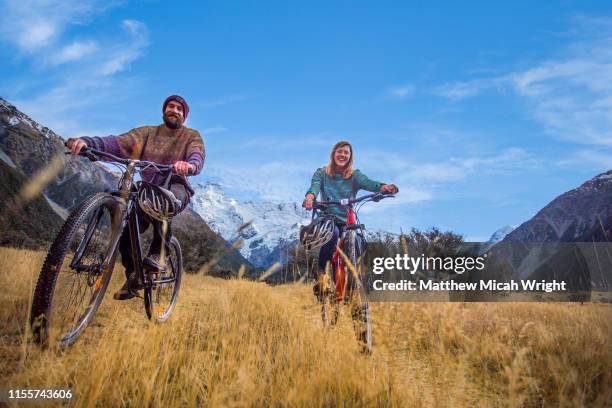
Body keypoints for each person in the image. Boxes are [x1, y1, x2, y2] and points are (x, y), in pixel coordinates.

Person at [66, 95, 205, 300]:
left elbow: (197, 154)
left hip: (176, 187)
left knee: (162, 201)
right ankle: (134, 276)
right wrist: (87, 143)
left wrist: (189, 165)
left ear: (184, 115)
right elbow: (117, 142)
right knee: (124, 228)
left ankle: (160, 254)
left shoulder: (191, 135)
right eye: (170, 106)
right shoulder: (147, 133)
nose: (174, 110)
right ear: (164, 110)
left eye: (179, 108)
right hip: (146, 188)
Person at [302, 140, 398, 297]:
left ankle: (358, 284)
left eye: (346, 153)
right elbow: (314, 186)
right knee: (331, 236)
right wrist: (310, 197)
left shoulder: (354, 176)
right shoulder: (322, 173)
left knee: (359, 242)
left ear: (350, 157)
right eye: (340, 151)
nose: (343, 155)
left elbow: (369, 184)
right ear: (333, 154)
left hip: (348, 221)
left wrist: (384, 188)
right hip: (329, 219)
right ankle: (323, 278)